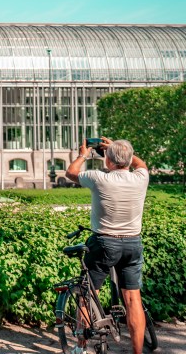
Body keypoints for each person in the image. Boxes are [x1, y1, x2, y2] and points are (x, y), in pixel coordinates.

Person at [66, 137, 149, 354]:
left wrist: (83, 154)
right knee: (133, 300)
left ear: (107, 161)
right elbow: (140, 165)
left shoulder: (98, 178)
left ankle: (80, 347)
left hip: (104, 242)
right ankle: (138, 352)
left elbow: (71, 173)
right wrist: (114, 147)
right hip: (133, 242)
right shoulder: (140, 177)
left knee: (87, 294)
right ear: (129, 160)